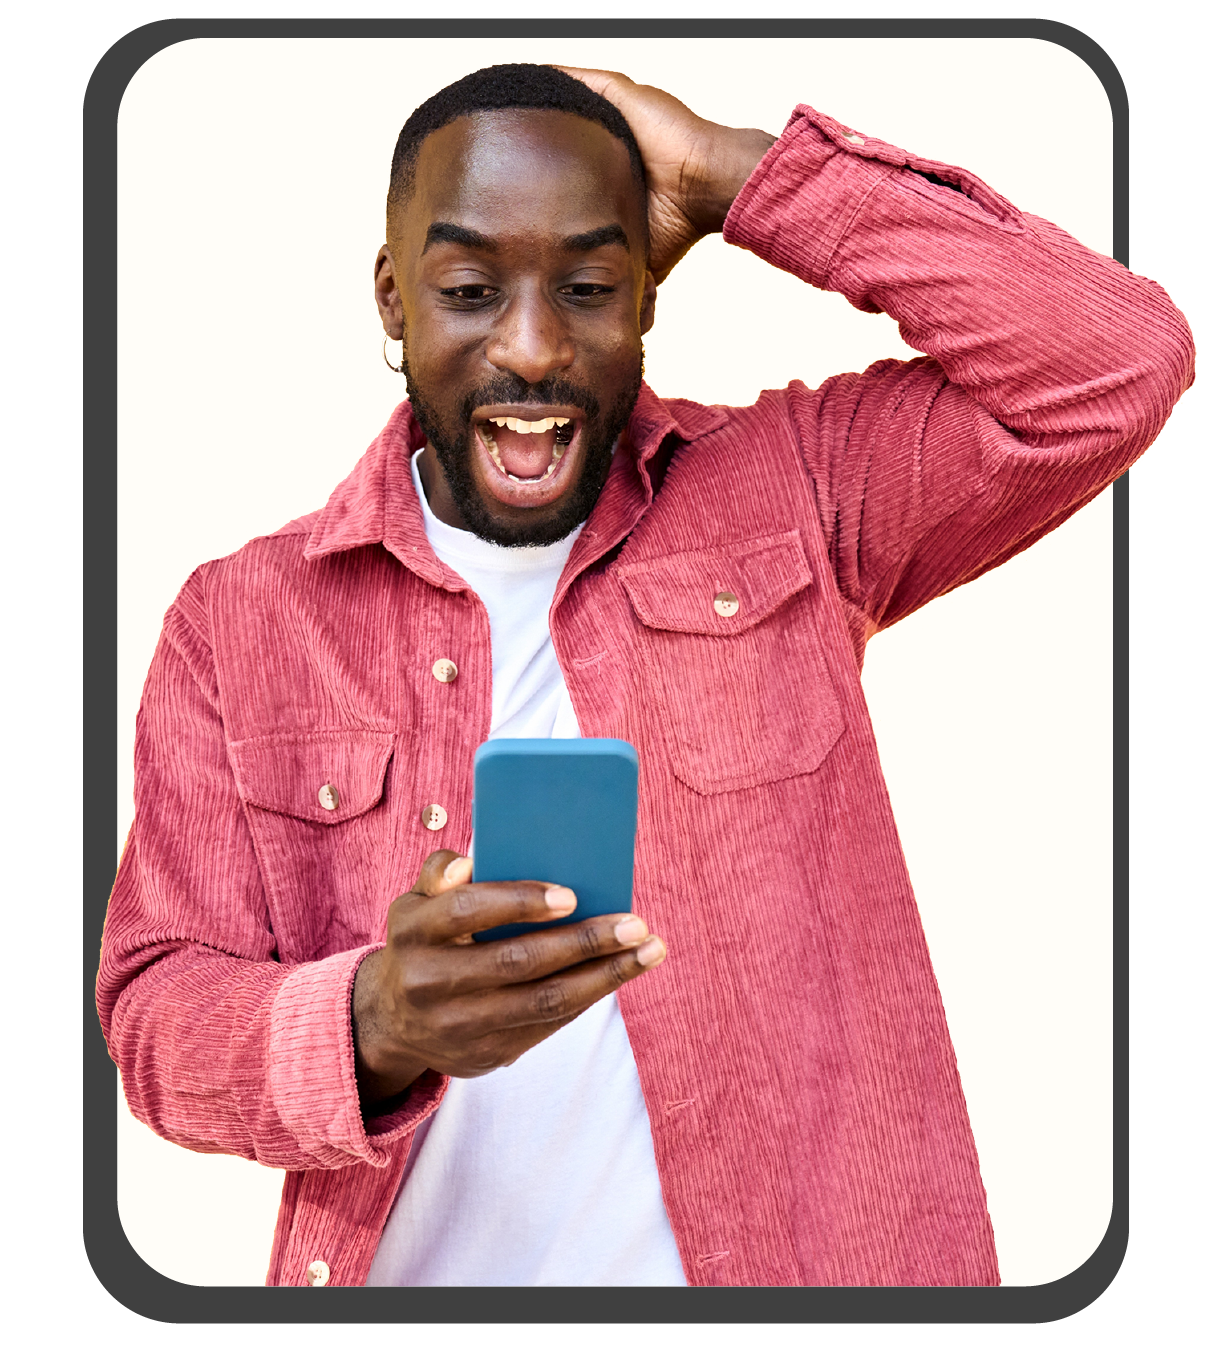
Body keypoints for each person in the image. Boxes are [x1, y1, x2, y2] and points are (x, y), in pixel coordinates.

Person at [96, 62, 1193, 1289]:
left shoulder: (794, 494)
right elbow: (153, 1015)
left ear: (647, 300)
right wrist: (373, 1023)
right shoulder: (239, 620)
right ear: (392, 301)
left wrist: (740, 174)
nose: (532, 346)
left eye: (589, 286)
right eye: (467, 290)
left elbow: (1119, 363)